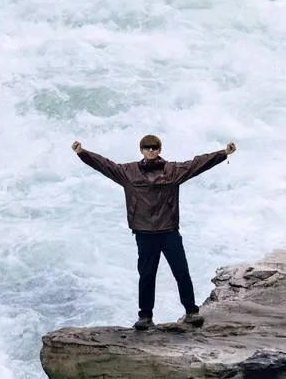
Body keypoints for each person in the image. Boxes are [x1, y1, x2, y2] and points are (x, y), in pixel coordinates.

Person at [72, 134, 236, 330]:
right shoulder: (128, 172)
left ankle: (191, 312)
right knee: (147, 275)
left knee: (181, 272)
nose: (151, 150)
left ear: (160, 149)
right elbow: (104, 165)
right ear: (141, 150)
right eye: (147, 148)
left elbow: (198, 163)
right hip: (144, 233)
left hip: (169, 232)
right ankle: (145, 316)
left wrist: (224, 152)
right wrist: (82, 153)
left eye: (154, 147)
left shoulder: (173, 171)